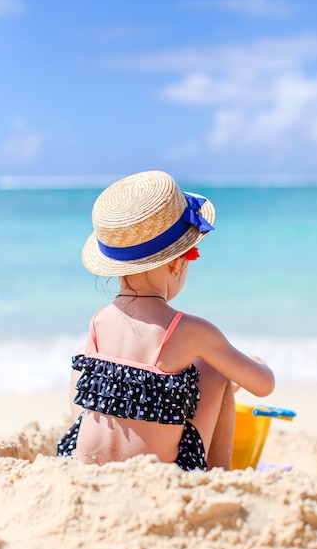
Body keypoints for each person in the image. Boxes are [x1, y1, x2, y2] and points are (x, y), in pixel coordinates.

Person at [57, 170, 275, 471]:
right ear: (176, 263)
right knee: (214, 367)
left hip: (84, 466)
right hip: (163, 473)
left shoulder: (99, 322)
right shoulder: (192, 331)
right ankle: (219, 477)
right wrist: (255, 362)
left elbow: (78, 400)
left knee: (88, 364)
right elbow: (264, 386)